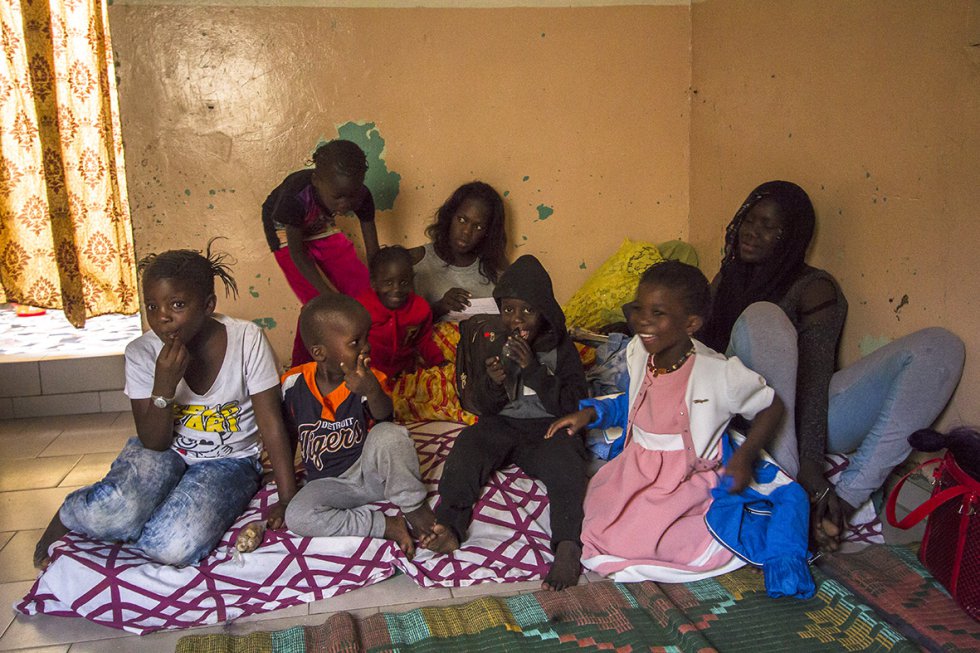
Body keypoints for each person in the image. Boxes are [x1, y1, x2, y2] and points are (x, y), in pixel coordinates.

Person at [699, 180, 965, 551]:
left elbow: (812, 380)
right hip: (741, 409)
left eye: (769, 227)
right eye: (750, 219)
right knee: (761, 316)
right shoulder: (727, 279)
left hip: (804, 416)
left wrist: (813, 467)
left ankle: (841, 501)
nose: (753, 232)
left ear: (791, 238)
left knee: (941, 347)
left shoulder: (813, 288)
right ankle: (789, 488)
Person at [33, 242, 298, 568]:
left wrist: (287, 498)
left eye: (177, 304)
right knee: (112, 515)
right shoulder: (141, 353)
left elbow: (271, 421)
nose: (163, 319)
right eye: (152, 307)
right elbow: (154, 441)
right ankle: (70, 512)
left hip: (229, 461)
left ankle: (147, 512)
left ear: (207, 305)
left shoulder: (247, 339)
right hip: (163, 452)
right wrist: (164, 386)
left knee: (171, 548)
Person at [547, 261, 785, 583]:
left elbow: (771, 406)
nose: (642, 321)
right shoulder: (640, 352)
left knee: (637, 541)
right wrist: (590, 413)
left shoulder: (717, 373)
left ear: (691, 323)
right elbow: (639, 403)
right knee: (594, 512)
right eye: (639, 309)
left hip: (681, 477)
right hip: (635, 466)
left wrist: (745, 457)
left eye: (658, 314)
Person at [420, 255, 589, 591]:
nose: (517, 319)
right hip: (503, 425)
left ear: (544, 311)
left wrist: (533, 371)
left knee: (569, 462)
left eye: (527, 310)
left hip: (547, 427)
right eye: (509, 310)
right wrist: (493, 382)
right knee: (468, 445)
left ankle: (568, 546)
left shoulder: (560, 349)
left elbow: (574, 404)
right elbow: (481, 405)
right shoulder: (495, 342)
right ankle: (451, 525)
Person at [282, 294, 437, 558]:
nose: (366, 347)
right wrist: (284, 480)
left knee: (390, 435)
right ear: (320, 352)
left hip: (372, 475)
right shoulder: (292, 383)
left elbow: (385, 417)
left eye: (366, 338)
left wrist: (372, 391)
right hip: (329, 485)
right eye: (355, 342)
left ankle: (413, 507)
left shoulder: (369, 378)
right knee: (296, 516)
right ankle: (386, 525)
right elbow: (288, 429)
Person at [262, 140, 380, 365]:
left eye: (352, 195)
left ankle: (365, 363)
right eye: (338, 197)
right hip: (284, 230)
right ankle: (299, 369)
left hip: (317, 223)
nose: (346, 204)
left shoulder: (361, 196)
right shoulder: (296, 196)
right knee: (319, 306)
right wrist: (327, 294)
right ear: (317, 181)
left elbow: (373, 250)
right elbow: (298, 254)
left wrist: (378, 282)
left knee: (363, 289)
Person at [409, 181, 508, 319]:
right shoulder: (415, 260)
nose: (466, 232)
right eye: (462, 220)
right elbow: (398, 325)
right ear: (450, 216)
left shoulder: (496, 271)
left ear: (488, 232)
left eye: (478, 227)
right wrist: (439, 307)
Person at [356, 245, 445, 377]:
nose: (396, 289)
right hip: (370, 373)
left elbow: (423, 341)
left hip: (404, 372)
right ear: (374, 283)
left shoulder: (420, 309)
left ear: (411, 280)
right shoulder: (361, 308)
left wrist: (439, 361)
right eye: (388, 283)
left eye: (404, 282)